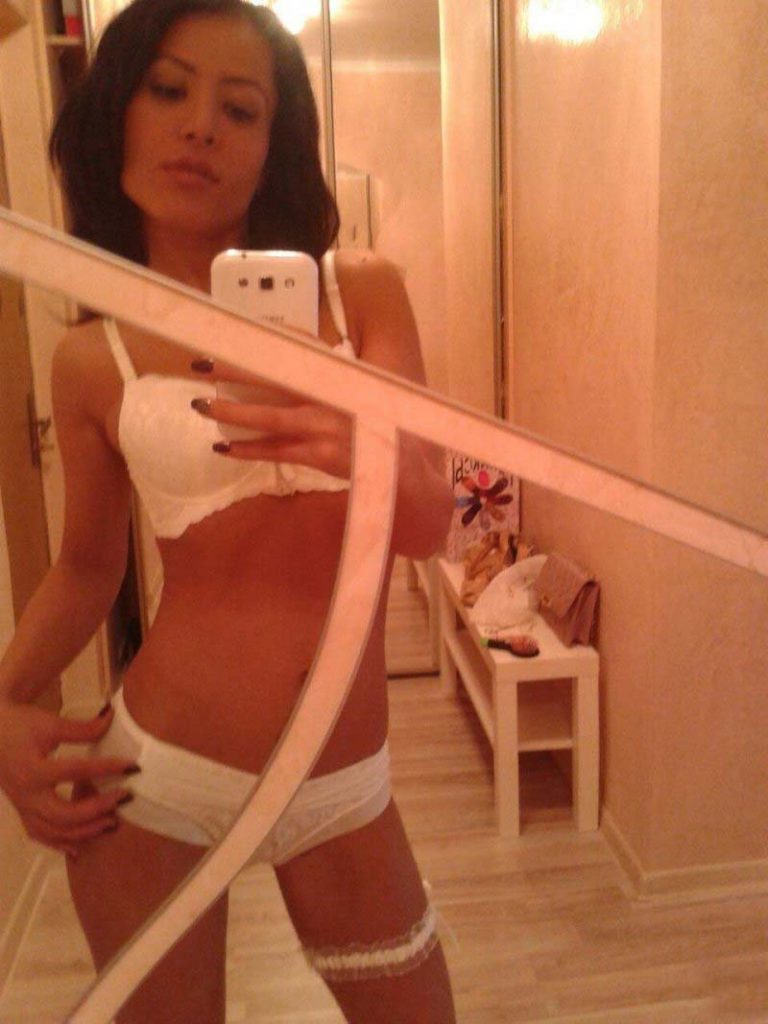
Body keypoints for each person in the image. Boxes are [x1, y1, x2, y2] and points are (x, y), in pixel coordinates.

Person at [0, 1, 456, 1021]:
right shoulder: (91, 357)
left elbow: (433, 525)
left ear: (271, 145)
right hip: (155, 775)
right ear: (116, 112)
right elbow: (86, 569)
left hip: (342, 782)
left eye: (239, 108)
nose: (200, 125)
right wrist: (4, 706)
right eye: (168, 90)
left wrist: (369, 451)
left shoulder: (360, 295)